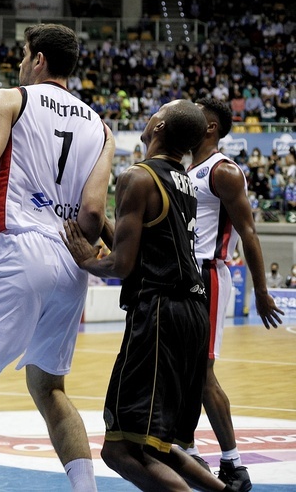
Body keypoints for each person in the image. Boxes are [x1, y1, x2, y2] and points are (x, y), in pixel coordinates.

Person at [0, 24, 115, 492]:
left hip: (19, 247)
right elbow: (95, 213)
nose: (18, 65)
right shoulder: (101, 127)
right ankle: (86, 489)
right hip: (72, 259)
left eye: (22, 57)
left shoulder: (11, 99)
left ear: (36, 60)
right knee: (50, 388)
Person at [63, 100, 240, 492]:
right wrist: (103, 222)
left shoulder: (137, 177)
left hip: (160, 312)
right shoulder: (183, 181)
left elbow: (123, 265)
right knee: (158, 446)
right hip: (193, 312)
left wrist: (87, 260)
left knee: (118, 450)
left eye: (155, 113)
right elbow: (146, 246)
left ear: (158, 126)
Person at [185, 97, 283, 489]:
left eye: (197, 116)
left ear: (210, 127)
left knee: (203, 372)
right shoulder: (186, 168)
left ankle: (234, 464)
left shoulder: (222, 171)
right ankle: (188, 450)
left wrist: (260, 290)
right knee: (186, 371)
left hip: (209, 274)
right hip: (184, 274)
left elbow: (249, 233)